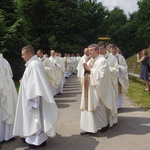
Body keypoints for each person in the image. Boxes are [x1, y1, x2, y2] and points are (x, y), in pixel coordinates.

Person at [13, 45, 58, 148]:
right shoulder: (33, 64)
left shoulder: (34, 65)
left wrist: (34, 102)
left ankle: (37, 141)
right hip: (31, 98)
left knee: (34, 120)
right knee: (33, 120)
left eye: (23, 54)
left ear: (29, 54)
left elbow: (36, 85)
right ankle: (37, 139)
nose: (21, 56)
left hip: (33, 99)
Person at [80, 44, 117, 135]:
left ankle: (103, 125)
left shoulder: (102, 61)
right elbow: (83, 73)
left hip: (97, 90)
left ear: (97, 50)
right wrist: (85, 70)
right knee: (87, 107)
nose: (90, 52)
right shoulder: (89, 61)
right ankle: (88, 127)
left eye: (91, 50)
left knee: (98, 108)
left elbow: (102, 76)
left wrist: (90, 70)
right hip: (88, 88)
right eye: (89, 51)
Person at [98, 41, 119, 123]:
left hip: (110, 83)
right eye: (99, 49)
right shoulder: (98, 57)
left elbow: (116, 70)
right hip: (100, 84)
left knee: (110, 101)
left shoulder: (111, 58)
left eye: (101, 49)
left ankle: (111, 120)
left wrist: (106, 70)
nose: (100, 51)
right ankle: (103, 121)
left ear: (105, 48)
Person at [0, 54, 18, 142]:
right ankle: (9, 135)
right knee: (8, 109)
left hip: (4, 91)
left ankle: (3, 135)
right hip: (8, 89)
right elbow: (10, 75)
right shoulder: (5, 61)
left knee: (3, 112)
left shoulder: (4, 61)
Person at [110, 44, 129, 109]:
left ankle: (118, 105)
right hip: (112, 77)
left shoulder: (120, 57)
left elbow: (125, 66)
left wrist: (120, 67)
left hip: (118, 77)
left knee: (119, 91)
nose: (114, 50)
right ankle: (113, 105)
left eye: (115, 49)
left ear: (117, 49)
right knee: (112, 91)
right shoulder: (108, 57)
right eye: (112, 49)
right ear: (110, 50)